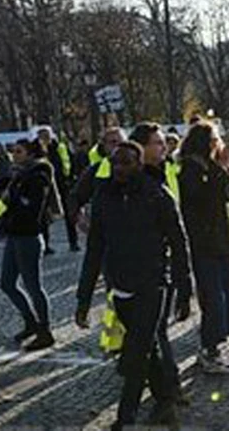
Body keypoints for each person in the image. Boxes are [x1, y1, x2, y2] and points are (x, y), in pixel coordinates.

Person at [76, 141, 194, 430]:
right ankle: (166, 401)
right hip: (121, 285)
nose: (119, 168)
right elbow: (94, 249)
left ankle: (124, 418)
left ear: (139, 165)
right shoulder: (104, 197)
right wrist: (83, 299)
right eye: (116, 162)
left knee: (136, 351)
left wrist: (184, 291)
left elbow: (179, 244)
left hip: (153, 283)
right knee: (148, 347)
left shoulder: (158, 196)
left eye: (126, 162)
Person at [179, 121, 229, 373]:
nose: (218, 144)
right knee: (213, 296)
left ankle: (216, 343)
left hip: (220, 240)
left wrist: (223, 169)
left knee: (226, 292)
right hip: (205, 242)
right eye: (215, 139)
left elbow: (228, 195)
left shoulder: (211, 167)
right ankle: (210, 349)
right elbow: (203, 199)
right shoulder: (191, 170)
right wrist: (219, 171)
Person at [0, 138, 57, 351]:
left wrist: (15, 204)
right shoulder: (19, 174)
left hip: (28, 236)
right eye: (14, 151)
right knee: (6, 283)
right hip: (14, 235)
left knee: (33, 286)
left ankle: (45, 330)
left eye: (19, 151)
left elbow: (32, 208)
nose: (14, 154)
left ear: (31, 154)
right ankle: (30, 321)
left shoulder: (38, 175)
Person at [37, 127, 78, 253]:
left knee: (69, 214)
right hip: (45, 186)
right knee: (43, 217)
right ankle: (46, 245)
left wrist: (69, 178)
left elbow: (68, 162)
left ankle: (73, 242)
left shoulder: (60, 147)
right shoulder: (37, 150)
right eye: (42, 136)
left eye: (47, 135)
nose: (45, 139)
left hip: (62, 184)